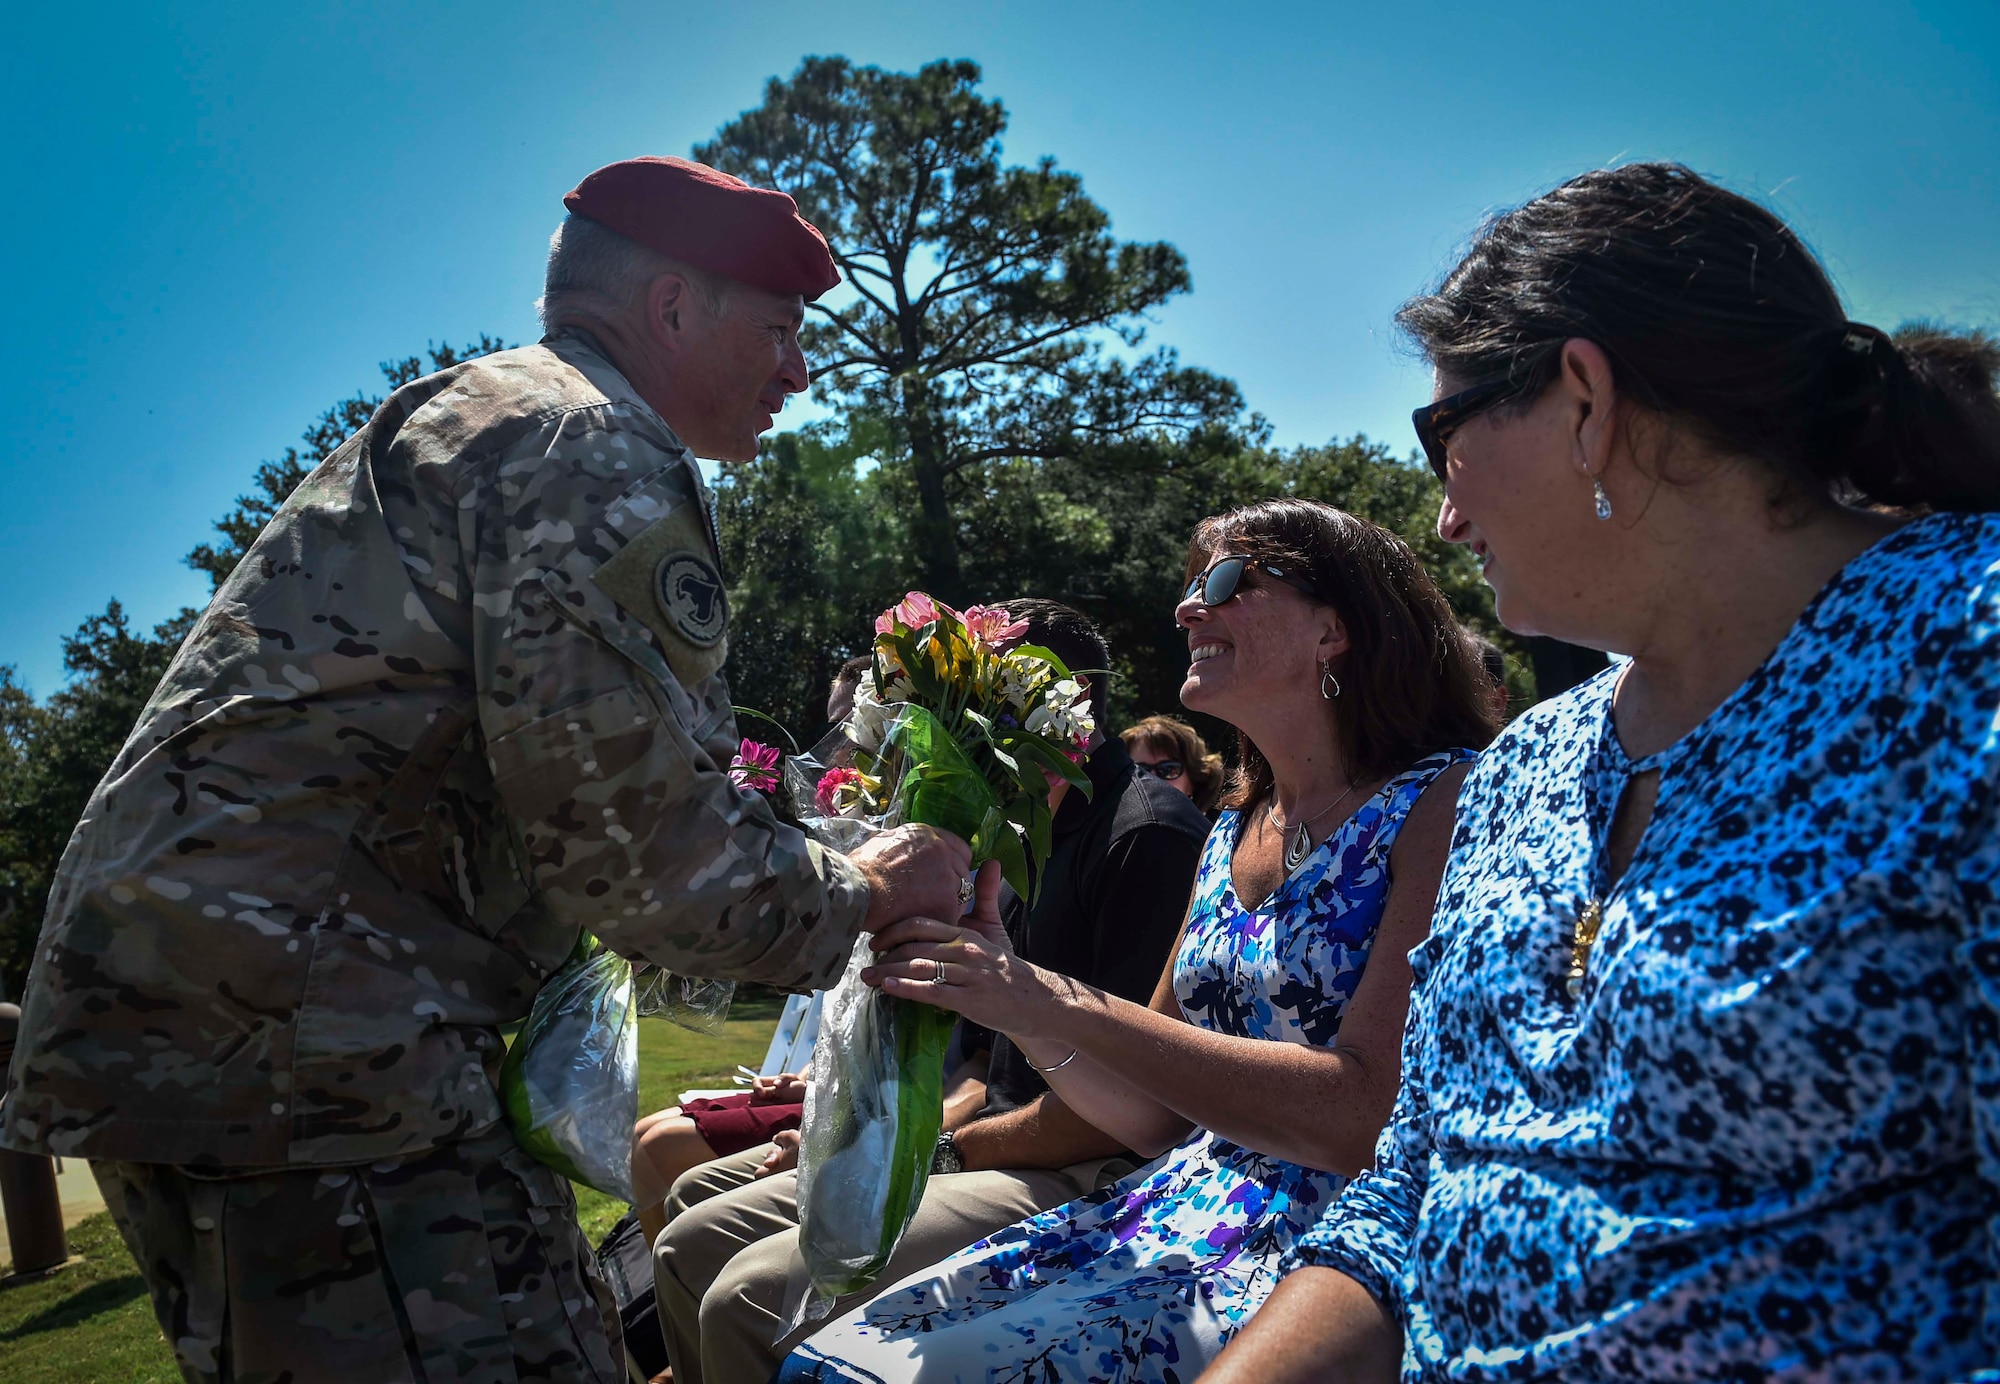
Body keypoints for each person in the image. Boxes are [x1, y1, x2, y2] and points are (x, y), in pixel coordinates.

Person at [0, 156, 971, 1384]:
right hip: (329, 1062)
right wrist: (873, 890)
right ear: (672, 309)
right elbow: (642, 854)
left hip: (234, 1036)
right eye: (778, 329)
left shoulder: (485, 410)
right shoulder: (593, 442)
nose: (799, 370)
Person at [1201, 164, 2000, 1384]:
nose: (1446, 524)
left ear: (1582, 397)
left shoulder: (1963, 656)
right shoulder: (1527, 761)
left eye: (1441, 439)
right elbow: (1413, 1187)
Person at [781, 499, 1499, 1382]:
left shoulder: (1444, 802)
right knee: (833, 1362)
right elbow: (1152, 1117)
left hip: (1333, 1247)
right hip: (1177, 1208)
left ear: (1336, 629)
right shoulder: (1235, 825)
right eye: (1190, 586)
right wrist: (1010, 991)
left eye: (1229, 582)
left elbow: (1365, 1116)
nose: (1188, 607)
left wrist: (1043, 997)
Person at [651, 598, 1212, 1384]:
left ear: (1053, 708)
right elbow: (986, 1062)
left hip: (1082, 1169)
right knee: (686, 1240)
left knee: (740, 1300)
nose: (926, 731)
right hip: (1003, 1142)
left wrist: (930, 1152)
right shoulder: (1017, 828)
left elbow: (1116, 1113)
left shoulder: (1146, 836)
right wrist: (856, 1131)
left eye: (964, 697)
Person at [1121, 711, 1227, 813]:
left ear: (1192, 783)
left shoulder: (1213, 831)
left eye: (1168, 770)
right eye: (1139, 771)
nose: (1151, 780)